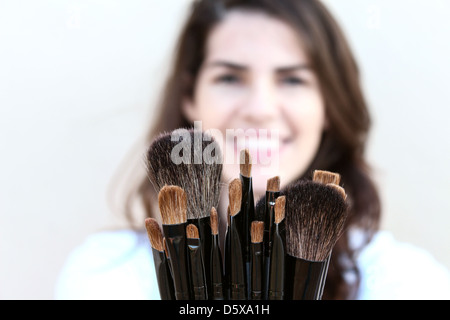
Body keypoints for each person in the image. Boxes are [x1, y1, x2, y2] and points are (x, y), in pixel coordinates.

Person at [55, 0, 450, 300]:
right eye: (229, 77)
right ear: (191, 98)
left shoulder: (406, 280)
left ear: (328, 106)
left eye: (293, 80)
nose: (260, 109)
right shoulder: (106, 274)